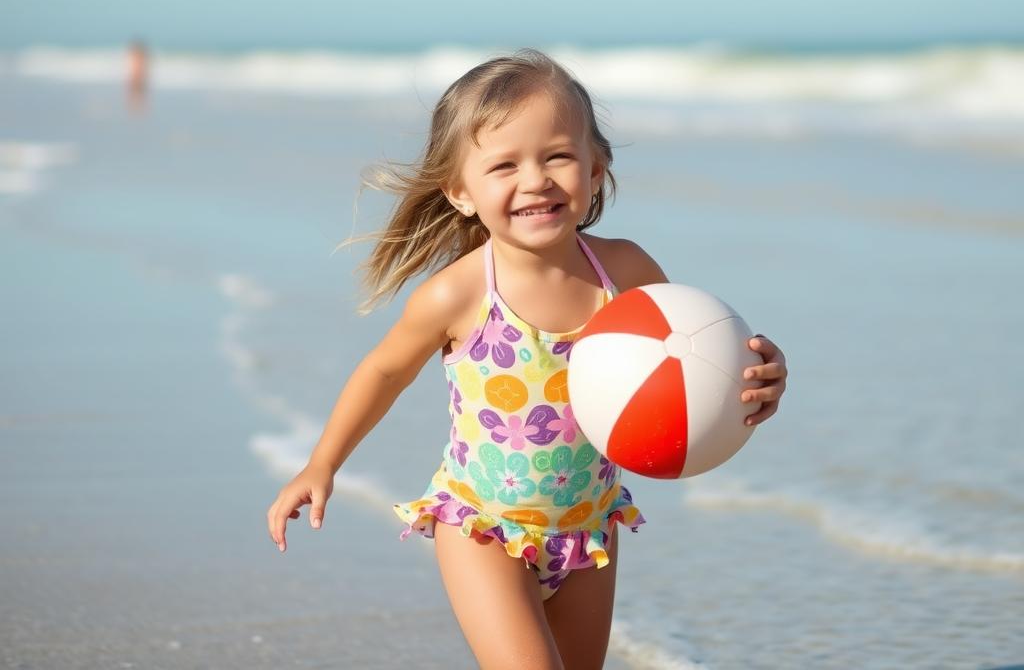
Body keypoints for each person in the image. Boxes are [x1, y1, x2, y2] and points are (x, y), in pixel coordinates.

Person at [266, 48, 788, 669]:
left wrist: (753, 383)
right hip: (482, 528)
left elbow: (690, 367)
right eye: (504, 165)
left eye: (558, 156)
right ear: (460, 191)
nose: (536, 179)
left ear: (596, 169)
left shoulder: (627, 272)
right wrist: (321, 464)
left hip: (589, 530)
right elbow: (384, 370)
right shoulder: (459, 293)